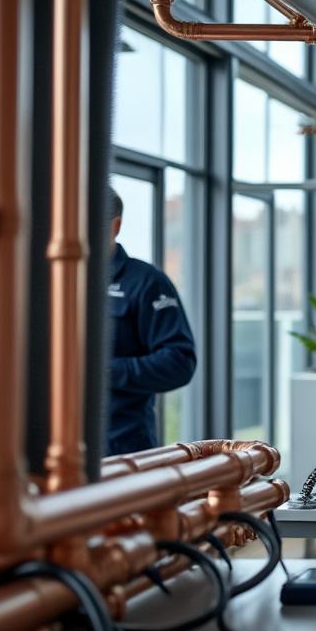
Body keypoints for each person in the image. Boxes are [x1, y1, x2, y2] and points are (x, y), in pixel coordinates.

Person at [107, 188, 197, 456]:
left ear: (115, 226)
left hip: (121, 447)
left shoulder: (146, 282)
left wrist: (102, 372)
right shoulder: (50, 279)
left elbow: (179, 362)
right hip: (49, 447)